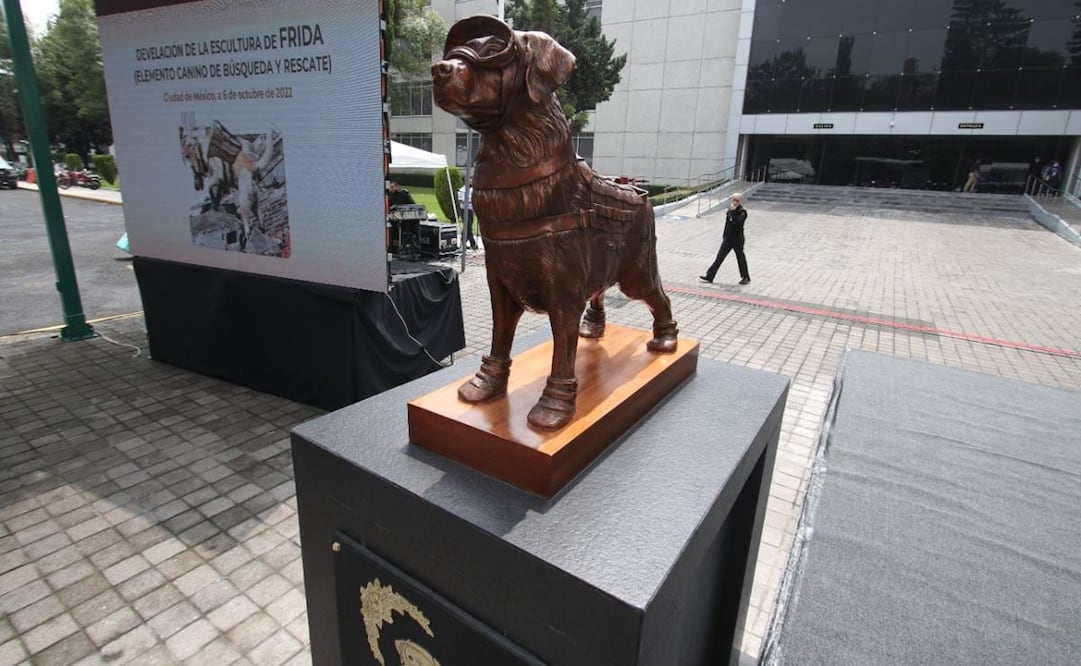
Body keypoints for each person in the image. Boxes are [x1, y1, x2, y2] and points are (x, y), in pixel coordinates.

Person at [699, 192, 750, 285]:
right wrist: (724, 236)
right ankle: (710, 275)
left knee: (740, 257)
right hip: (728, 238)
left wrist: (734, 212)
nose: (735, 202)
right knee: (719, 257)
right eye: (733, 200)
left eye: (737, 201)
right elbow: (727, 224)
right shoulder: (730, 210)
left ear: (740, 201)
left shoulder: (742, 212)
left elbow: (738, 223)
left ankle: (745, 277)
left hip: (737, 239)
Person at [457, 180, 478, 250]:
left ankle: (463, 242)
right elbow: (461, 200)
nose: (471, 183)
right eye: (470, 182)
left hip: (470, 210)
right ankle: (473, 244)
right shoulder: (462, 190)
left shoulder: (472, 190)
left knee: (468, 226)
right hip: (464, 210)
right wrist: (469, 202)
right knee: (468, 225)